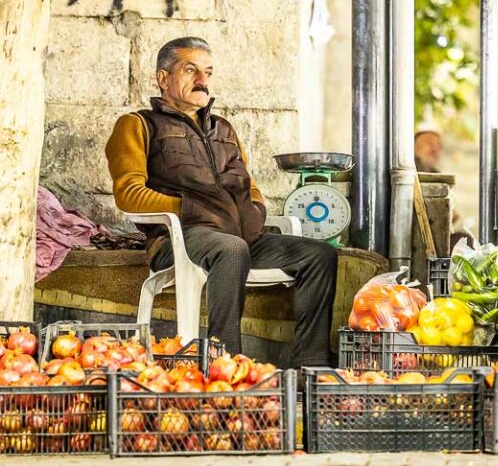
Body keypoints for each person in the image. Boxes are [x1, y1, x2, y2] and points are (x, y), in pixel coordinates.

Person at [105, 37, 337, 367]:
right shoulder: (138, 124)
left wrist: (255, 209)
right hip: (181, 239)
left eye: (208, 72)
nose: (203, 81)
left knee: (320, 254)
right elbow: (129, 194)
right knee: (230, 248)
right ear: (163, 78)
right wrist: (188, 209)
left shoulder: (223, 129)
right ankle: (225, 362)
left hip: (240, 237)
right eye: (191, 70)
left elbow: (250, 184)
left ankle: (311, 366)